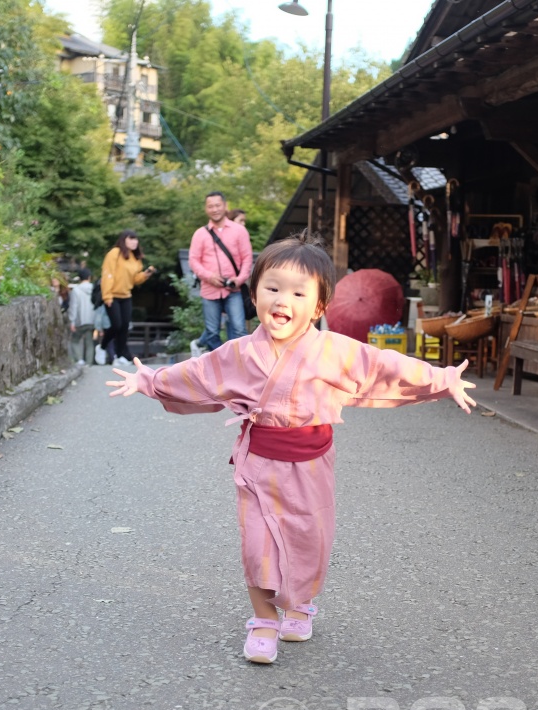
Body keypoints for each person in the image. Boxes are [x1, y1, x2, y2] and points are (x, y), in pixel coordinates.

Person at [107, 233, 476, 665]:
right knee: (257, 544)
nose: (283, 299)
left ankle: (299, 604)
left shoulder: (334, 350)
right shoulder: (239, 353)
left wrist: (442, 379)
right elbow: (197, 374)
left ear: (320, 306)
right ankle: (263, 621)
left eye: (299, 292)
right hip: (259, 463)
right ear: (255, 292)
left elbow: (384, 366)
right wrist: (149, 381)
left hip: (312, 463)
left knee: (308, 540)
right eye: (273, 287)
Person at [188, 191, 252, 357]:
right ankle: (219, 367)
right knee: (211, 332)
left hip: (234, 290)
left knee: (239, 329)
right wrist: (209, 276)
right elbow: (193, 260)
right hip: (209, 290)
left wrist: (239, 279)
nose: (214, 209)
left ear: (225, 206)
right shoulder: (200, 234)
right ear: (206, 209)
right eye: (210, 206)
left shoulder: (239, 231)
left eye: (217, 205)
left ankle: (242, 365)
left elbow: (247, 258)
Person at [98, 230, 156, 368]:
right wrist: (107, 296)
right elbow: (107, 275)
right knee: (116, 324)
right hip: (112, 295)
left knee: (124, 327)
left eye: (136, 239)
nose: (134, 242)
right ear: (124, 240)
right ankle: (102, 347)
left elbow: (135, 279)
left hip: (126, 296)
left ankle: (119, 356)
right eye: (131, 239)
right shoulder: (114, 253)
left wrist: (146, 274)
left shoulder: (135, 258)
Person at [66, 269, 97, 366]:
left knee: (74, 340)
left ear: (79, 278)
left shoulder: (76, 290)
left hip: (80, 320)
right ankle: (89, 362)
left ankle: (79, 359)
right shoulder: (94, 289)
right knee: (89, 342)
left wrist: (72, 321)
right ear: (89, 277)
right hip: (92, 320)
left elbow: (74, 306)